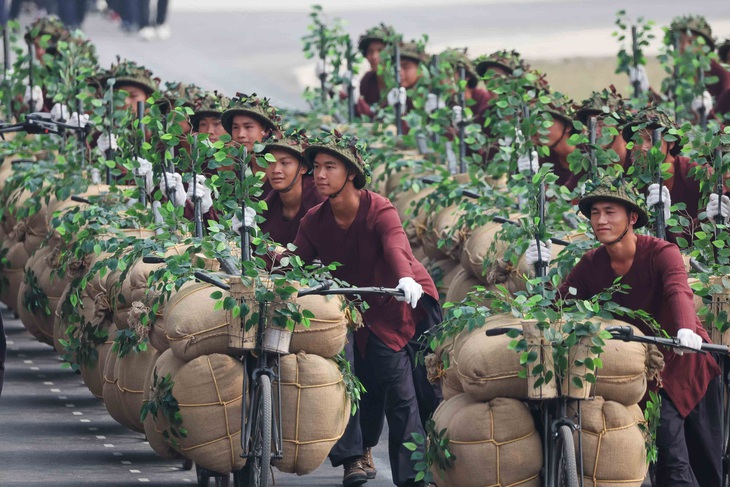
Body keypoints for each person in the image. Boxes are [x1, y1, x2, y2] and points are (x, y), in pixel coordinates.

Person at [541, 178, 721, 486]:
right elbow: (558, 305)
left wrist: (685, 330)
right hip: (635, 368)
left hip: (682, 360)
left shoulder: (661, 253)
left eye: (610, 211)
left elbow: (679, 290)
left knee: (688, 455)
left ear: (632, 218)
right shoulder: (590, 264)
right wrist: (541, 273)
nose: (601, 220)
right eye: (595, 213)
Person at [291, 132, 440, 487]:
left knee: (407, 392)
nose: (320, 174)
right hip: (353, 314)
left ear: (352, 174)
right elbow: (293, 262)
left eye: (330, 166)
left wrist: (405, 277)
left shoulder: (379, 208)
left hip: (400, 305)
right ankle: (355, 456)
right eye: (316, 167)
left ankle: (415, 476)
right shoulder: (313, 219)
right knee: (352, 381)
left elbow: (395, 245)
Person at [221, 93, 282, 201]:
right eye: (235, 127)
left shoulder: (281, 171)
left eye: (248, 127)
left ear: (267, 131)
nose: (240, 134)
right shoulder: (237, 168)